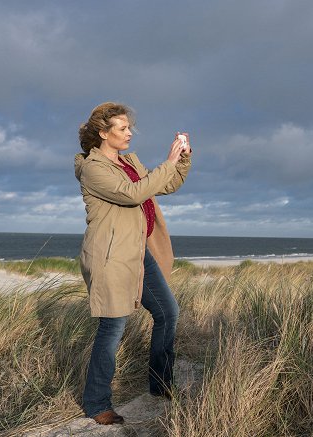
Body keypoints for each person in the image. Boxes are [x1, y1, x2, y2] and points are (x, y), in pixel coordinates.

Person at [74, 102, 192, 424]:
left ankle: (161, 384)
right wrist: (167, 162)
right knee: (113, 327)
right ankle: (97, 404)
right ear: (103, 132)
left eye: (129, 127)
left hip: (139, 252)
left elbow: (164, 185)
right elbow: (133, 194)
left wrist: (181, 159)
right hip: (111, 256)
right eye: (123, 128)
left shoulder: (129, 162)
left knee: (168, 312)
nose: (130, 133)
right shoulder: (92, 168)